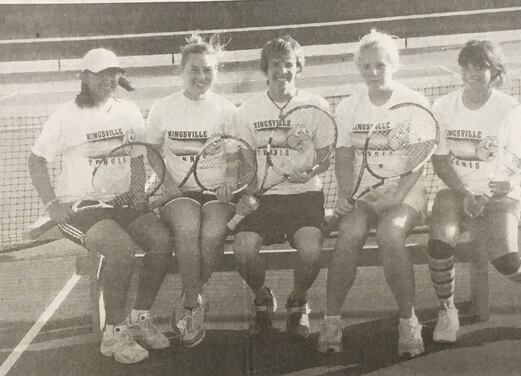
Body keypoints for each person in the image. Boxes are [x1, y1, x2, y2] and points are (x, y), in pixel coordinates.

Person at [28, 48, 172, 364]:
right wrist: (53, 205)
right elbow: (36, 160)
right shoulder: (65, 115)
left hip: (123, 203)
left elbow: (138, 156)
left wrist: (137, 190)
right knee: (120, 249)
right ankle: (114, 333)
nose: (108, 79)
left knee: (162, 241)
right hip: (81, 207)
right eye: (100, 73)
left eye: (113, 73)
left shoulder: (129, 111)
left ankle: (140, 318)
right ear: (85, 77)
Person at [427, 39, 521, 344]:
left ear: (495, 71)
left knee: (505, 260)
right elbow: (440, 160)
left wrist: (503, 183)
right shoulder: (444, 106)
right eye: (467, 66)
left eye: (480, 66)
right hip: (454, 191)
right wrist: (464, 193)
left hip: (502, 194)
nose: (472, 72)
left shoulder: (509, 109)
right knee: (439, 245)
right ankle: (447, 311)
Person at [316, 29, 429, 358]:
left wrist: (396, 196)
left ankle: (409, 321)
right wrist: (346, 192)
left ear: (392, 64)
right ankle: (332, 320)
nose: (373, 72)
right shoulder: (351, 105)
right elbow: (343, 155)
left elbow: (419, 160)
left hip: (405, 191)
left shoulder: (413, 102)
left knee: (390, 235)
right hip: (364, 192)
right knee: (348, 234)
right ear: (359, 68)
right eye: (366, 66)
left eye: (379, 65)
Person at [232, 35, 331, 338]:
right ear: (266, 69)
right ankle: (262, 296)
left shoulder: (316, 105)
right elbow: (245, 161)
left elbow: (325, 158)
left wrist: (310, 171)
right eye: (275, 65)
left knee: (311, 251)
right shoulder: (247, 110)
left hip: (305, 196)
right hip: (264, 198)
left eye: (288, 64)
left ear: (297, 67)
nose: (282, 71)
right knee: (243, 250)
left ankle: (298, 300)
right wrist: (246, 193)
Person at [144, 34, 238, 347]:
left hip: (215, 193)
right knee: (187, 227)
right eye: (194, 70)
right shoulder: (163, 108)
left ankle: (190, 296)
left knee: (212, 234)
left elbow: (236, 153)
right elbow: (152, 150)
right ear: (182, 71)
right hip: (178, 192)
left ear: (216, 72)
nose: (201, 77)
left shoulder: (226, 110)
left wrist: (230, 180)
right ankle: (191, 308)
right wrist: (167, 183)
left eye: (208, 70)